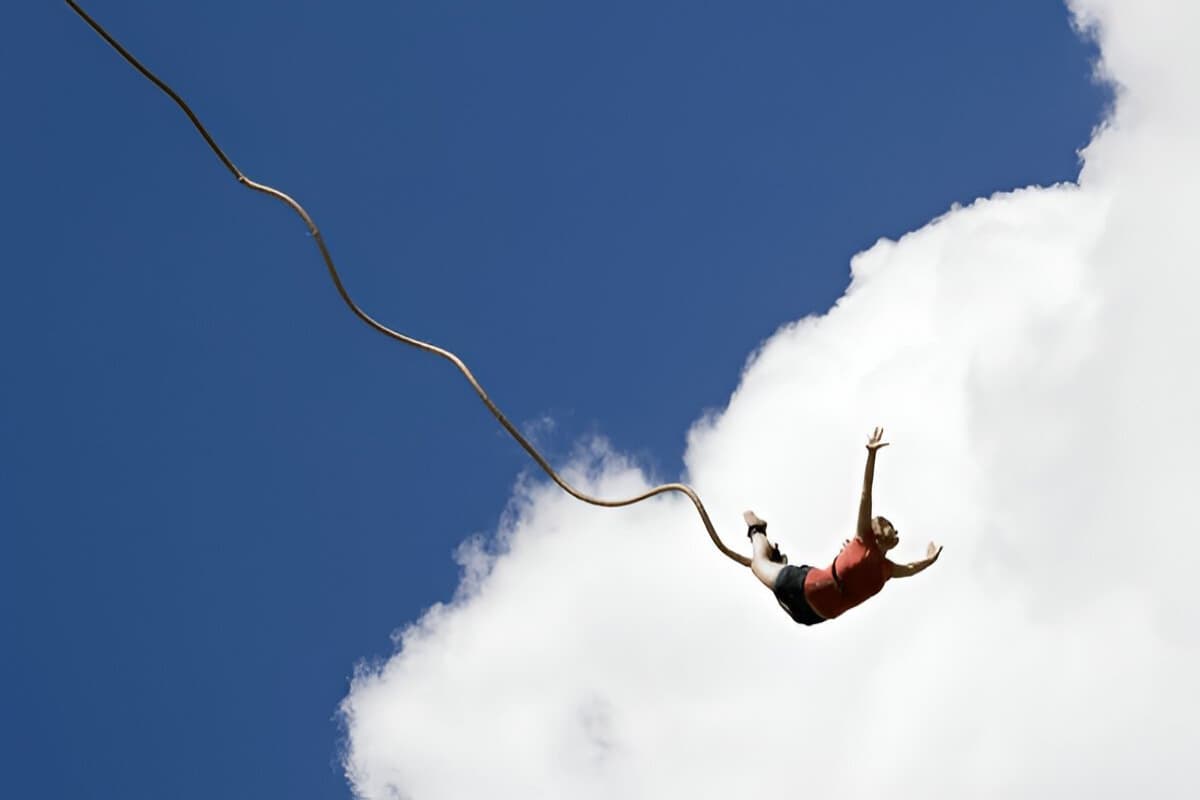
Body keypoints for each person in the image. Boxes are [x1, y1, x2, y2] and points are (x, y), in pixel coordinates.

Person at [745, 427, 941, 625]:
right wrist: (871, 455)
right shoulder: (863, 539)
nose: (896, 530)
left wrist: (929, 560)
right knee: (758, 564)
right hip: (803, 586)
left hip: (812, 616)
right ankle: (757, 529)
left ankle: (777, 560)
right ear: (877, 532)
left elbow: (911, 568)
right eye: (890, 526)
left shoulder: (886, 569)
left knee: (767, 570)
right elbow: (866, 493)